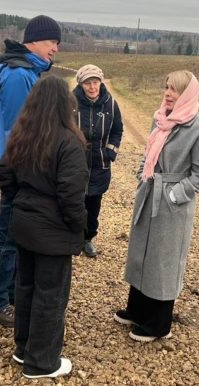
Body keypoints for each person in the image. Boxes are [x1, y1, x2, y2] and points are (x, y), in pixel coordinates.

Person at [0, 76, 88, 379]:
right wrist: (79, 229)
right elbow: (71, 196)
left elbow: (5, 177)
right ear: (66, 105)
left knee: (26, 288)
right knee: (51, 296)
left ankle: (24, 349)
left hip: (24, 227)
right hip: (53, 233)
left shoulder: (23, 134)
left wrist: (23, 202)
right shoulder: (69, 141)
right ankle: (42, 362)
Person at [115, 70, 199, 342]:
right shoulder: (160, 120)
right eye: (167, 87)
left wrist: (173, 195)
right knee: (143, 254)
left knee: (163, 261)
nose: (168, 93)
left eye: (175, 90)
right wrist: (141, 176)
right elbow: (148, 154)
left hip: (172, 206)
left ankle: (159, 324)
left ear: (187, 95)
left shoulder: (198, 128)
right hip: (149, 193)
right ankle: (137, 310)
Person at [0, 15, 62, 327]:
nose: (55, 48)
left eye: (57, 43)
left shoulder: (28, 71)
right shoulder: (18, 75)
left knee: (17, 234)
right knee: (8, 236)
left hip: (24, 169)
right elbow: (20, 132)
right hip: (19, 170)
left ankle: (10, 293)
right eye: (51, 41)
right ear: (34, 40)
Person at [73, 64, 124, 257]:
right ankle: (72, 238)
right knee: (74, 202)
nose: (92, 87)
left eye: (95, 82)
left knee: (93, 204)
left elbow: (117, 130)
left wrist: (110, 151)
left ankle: (87, 239)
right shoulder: (70, 102)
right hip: (75, 164)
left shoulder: (110, 104)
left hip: (99, 165)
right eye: (87, 83)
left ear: (101, 83)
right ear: (81, 83)